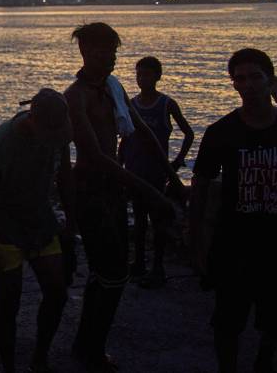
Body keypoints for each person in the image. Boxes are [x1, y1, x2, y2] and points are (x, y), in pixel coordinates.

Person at [63, 22, 183, 372]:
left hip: (114, 190)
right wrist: (149, 192)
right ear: (85, 52)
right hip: (91, 191)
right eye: (102, 51)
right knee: (112, 272)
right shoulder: (76, 96)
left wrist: (173, 179)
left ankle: (87, 344)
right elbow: (94, 155)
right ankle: (92, 349)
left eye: (113, 51)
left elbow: (144, 133)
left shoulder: (113, 87)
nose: (110, 58)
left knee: (106, 272)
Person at [190, 49, 277, 373]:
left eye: (256, 76)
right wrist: (198, 241)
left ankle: (264, 361)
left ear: (270, 80)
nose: (249, 85)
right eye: (240, 79)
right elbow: (200, 188)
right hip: (234, 245)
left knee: (274, 320)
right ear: (233, 85)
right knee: (228, 323)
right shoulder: (220, 132)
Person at [0, 89, 75, 373]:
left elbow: (65, 176)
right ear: (32, 118)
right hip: (4, 224)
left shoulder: (60, 133)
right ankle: (9, 368)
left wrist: (70, 223)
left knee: (57, 293)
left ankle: (39, 359)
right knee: (9, 301)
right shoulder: (5, 142)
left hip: (41, 220)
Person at [118, 56, 194, 288]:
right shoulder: (132, 104)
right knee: (139, 219)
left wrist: (176, 162)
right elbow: (125, 138)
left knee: (158, 219)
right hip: (134, 170)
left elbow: (188, 133)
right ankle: (139, 262)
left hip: (156, 173)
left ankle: (158, 268)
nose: (142, 79)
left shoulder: (166, 104)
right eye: (139, 74)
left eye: (147, 74)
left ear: (158, 76)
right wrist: (118, 165)